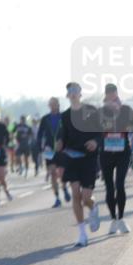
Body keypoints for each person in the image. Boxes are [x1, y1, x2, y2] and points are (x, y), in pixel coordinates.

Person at [55, 82, 102, 247]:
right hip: (72, 157)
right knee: (75, 194)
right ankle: (82, 234)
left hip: (89, 158)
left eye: (75, 90)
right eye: (69, 91)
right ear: (67, 95)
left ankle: (93, 206)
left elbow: (101, 132)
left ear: (80, 94)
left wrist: (95, 142)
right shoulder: (65, 115)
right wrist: (59, 142)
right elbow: (62, 134)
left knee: (85, 197)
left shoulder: (91, 111)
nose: (73, 93)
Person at [97, 83, 133, 235]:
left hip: (122, 152)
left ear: (117, 94)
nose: (112, 96)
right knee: (109, 187)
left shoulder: (126, 109)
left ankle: (121, 219)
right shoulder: (101, 111)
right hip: (106, 153)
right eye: (109, 94)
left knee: (119, 184)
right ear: (106, 95)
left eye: (114, 93)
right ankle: (113, 219)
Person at [37, 97, 70, 207]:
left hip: (62, 148)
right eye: (50, 104)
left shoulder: (64, 117)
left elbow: (69, 133)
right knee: (52, 173)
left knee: (62, 173)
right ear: (49, 106)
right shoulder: (45, 119)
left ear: (58, 105)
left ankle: (64, 188)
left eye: (54, 104)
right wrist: (40, 147)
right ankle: (57, 198)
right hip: (49, 149)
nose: (53, 106)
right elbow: (40, 134)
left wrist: (64, 142)